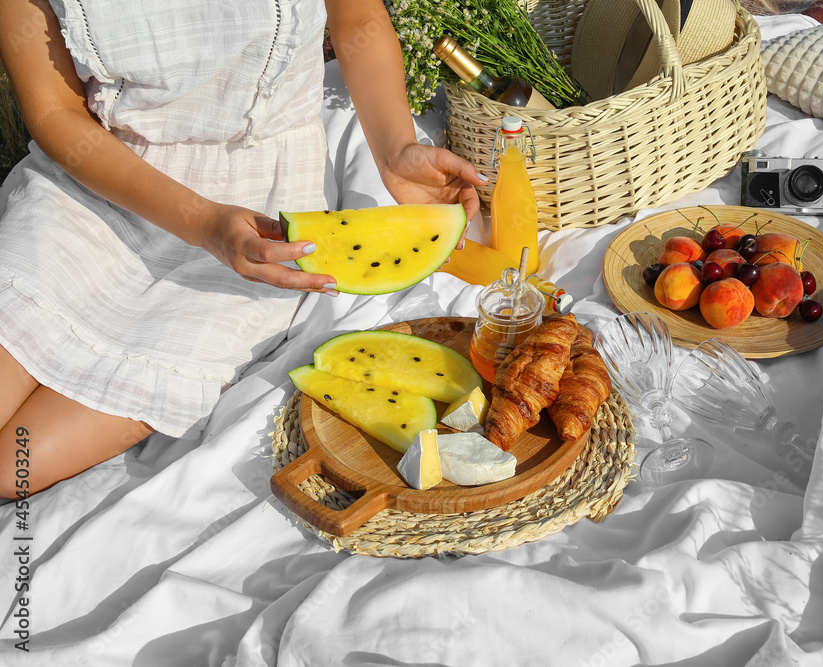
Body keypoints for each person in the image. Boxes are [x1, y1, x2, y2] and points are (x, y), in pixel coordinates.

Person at [0, 0, 486, 498]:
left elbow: (356, 20)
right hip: (100, 184)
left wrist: (395, 149)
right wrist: (204, 223)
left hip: (262, 208)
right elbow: (55, 113)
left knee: (10, 469)